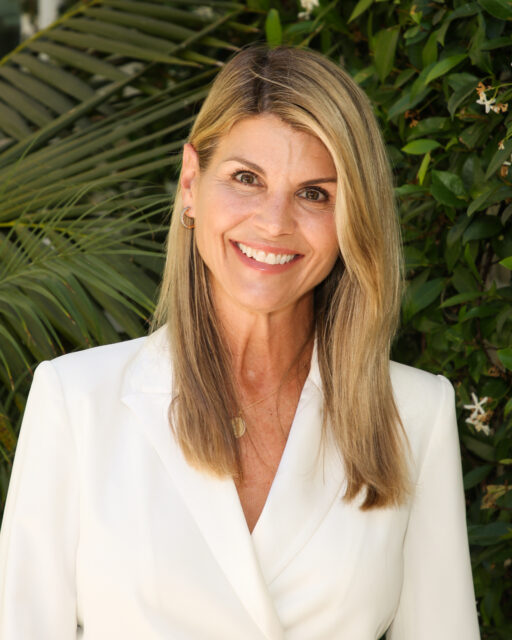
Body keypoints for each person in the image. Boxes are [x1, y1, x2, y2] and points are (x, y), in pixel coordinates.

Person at [0, 45, 480, 639]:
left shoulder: (414, 412)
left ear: (352, 220)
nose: (274, 221)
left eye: (315, 193)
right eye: (246, 179)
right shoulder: (77, 401)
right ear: (189, 184)